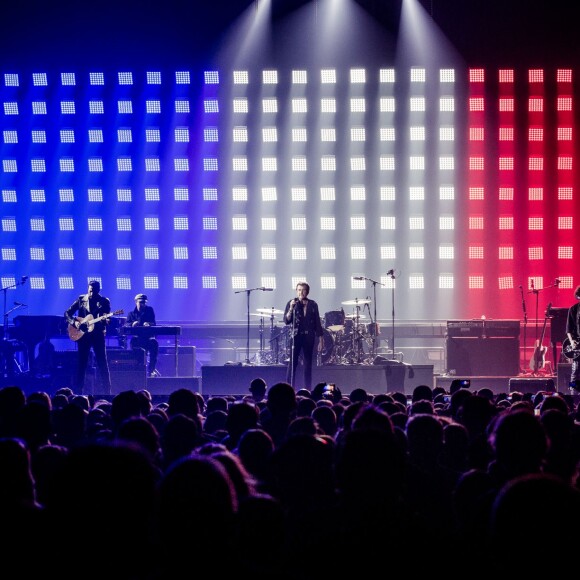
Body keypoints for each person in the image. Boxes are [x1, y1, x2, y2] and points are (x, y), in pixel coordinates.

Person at [64, 280, 112, 395]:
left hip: (97, 335)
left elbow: (106, 318)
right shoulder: (81, 299)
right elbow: (67, 313)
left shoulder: (104, 301)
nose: (91, 293)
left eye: (94, 291)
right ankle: (78, 393)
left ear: (98, 290)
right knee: (82, 363)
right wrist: (74, 323)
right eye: (90, 290)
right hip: (83, 335)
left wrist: (106, 320)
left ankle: (107, 392)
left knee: (102, 362)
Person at [283, 281, 324, 390]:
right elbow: (286, 320)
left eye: (303, 290)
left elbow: (317, 322)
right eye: (299, 290)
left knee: (308, 364)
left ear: (307, 292)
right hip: (296, 336)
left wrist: (321, 339)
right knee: (292, 364)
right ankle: (289, 389)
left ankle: (307, 389)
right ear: (296, 291)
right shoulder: (292, 303)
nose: (301, 292)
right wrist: (291, 308)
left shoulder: (313, 304)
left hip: (309, 337)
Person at [124, 293, 160, 377]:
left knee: (154, 343)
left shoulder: (150, 310)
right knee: (134, 344)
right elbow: (126, 325)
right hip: (137, 339)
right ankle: (138, 369)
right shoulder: (131, 314)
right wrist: (132, 324)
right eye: (140, 302)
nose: (142, 304)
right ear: (136, 302)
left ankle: (151, 370)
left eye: (144, 302)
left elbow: (154, 323)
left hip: (148, 338)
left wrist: (149, 324)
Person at [565, 285, 580, 391]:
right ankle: (573, 394)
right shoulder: (574, 309)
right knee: (575, 373)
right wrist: (572, 342)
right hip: (578, 347)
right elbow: (568, 330)